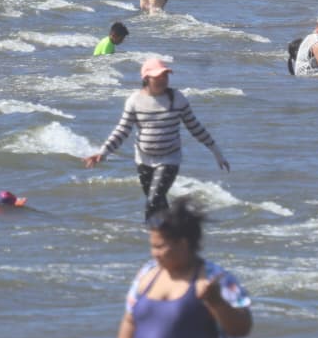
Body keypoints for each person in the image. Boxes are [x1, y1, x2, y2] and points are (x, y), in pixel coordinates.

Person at [84, 58, 230, 221]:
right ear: (146, 78)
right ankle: (172, 230)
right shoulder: (134, 101)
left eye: (165, 76)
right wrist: (103, 153)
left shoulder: (177, 99)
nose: (163, 80)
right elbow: (122, 130)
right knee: (158, 204)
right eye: (158, 77)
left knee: (153, 202)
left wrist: (217, 152)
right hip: (143, 160)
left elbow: (195, 127)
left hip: (170, 159)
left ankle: (151, 234)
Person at [114, 198, 255, 338]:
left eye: (159, 247)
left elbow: (242, 328)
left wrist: (217, 302)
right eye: (152, 246)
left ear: (183, 243)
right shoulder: (147, 273)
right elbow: (129, 320)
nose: (154, 253)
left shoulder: (213, 278)